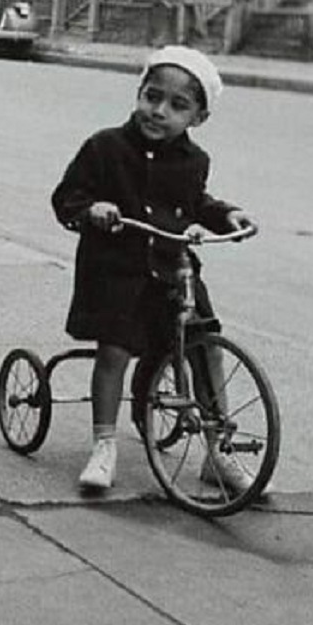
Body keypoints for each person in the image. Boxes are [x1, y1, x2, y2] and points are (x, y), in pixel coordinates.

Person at [51, 45, 255, 493]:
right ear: (139, 93)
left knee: (206, 348)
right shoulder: (105, 147)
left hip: (172, 267)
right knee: (115, 352)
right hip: (118, 271)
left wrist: (226, 215)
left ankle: (217, 449)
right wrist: (92, 209)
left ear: (198, 118)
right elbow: (67, 197)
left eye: (177, 105)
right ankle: (104, 444)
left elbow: (194, 201)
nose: (158, 111)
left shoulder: (193, 160)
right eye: (152, 96)